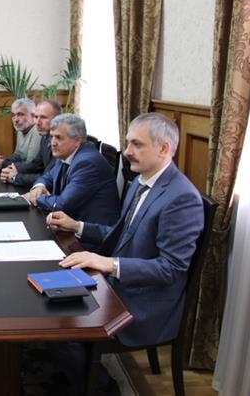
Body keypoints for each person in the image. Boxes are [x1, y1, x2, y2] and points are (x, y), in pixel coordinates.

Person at [46, 113, 204, 382]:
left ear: (164, 148)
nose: (127, 151)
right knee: (49, 295)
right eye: (128, 143)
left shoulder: (182, 198)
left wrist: (109, 264)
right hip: (119, 283)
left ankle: (100, 386)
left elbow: (171, 269)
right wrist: (77, 226)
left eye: (137, 144)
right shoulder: (141, 182)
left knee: (60, 326)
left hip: (143, 301)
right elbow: (122, 234)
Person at [24, 114, 120, 227]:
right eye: (52, 137)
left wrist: (36, 197)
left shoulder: (87, 163)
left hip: (90, 232)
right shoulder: (65, 153)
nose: (52, 143)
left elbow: (63, 204)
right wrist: (39, 187)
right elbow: (48, 176)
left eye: (58, 137)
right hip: (69, 223)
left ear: (77, 140)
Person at [0, 100, 62, 186]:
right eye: (36, 117)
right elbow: (36, 164)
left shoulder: (62, 142)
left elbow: (49, 178)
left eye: (43, 117)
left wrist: (15, 177)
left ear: (57, 119)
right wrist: (12, 169)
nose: (37, 123)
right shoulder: (45, 137)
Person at [0, 98, 41, 170]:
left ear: (33, 116)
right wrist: (4, 160)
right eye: (13, 115)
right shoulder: (21, 129)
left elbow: (31, 165)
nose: (16, 120)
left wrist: (3, 164)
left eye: (20, 114)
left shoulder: (37, 131)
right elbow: (18, 155)